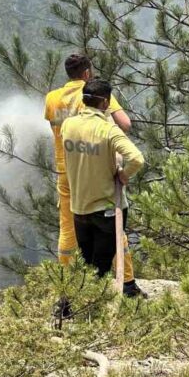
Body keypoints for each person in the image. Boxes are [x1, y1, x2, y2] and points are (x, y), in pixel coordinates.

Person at [45, 55, 145, 297]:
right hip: (94, 171)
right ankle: (127, 283)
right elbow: (125, 123)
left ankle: (68, 288)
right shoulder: (93, 94)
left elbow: (55, 130)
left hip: (67, 169)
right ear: (87, 74)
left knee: (68, 230)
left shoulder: (52, 99)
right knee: (112, 224)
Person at [60, 77, 145, 279]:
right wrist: (123, 176)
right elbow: (136, 158)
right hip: (106, 209)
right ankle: (87, 306)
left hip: (79, 209)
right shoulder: (108, 129)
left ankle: (73, 305)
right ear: (105, 102)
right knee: (101, 269)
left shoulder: (68, 125)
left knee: (85, 263)